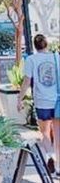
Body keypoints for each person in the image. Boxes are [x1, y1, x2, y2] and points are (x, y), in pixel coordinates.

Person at [19, 33, 60, 173]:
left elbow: (26, 81)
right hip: (57, 100)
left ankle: (50, 155)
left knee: (44, 132)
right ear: (47, 44)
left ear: (35, 46)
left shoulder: (31, 60)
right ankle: (59, 167)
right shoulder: (57, 58)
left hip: (42, 101)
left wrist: (20, 99)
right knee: (58, 134)